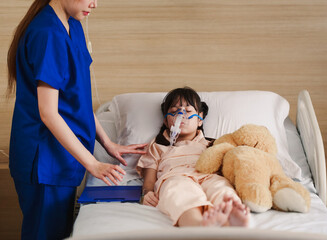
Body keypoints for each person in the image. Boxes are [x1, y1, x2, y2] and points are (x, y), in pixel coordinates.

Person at [7, 0, 146, 239]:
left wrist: (107, 144)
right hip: (44, 161)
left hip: (63, 159)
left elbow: (76, 99)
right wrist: (93, 163)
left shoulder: (73, 25)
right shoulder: (48, 33)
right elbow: (48, 113)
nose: (95, 4)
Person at [137, 87, 251, 227]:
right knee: (180, 192)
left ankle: (231, 217)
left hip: (209, 176)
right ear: (166, 122)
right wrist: (147, 194)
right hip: (175, 177)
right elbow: (149, 181)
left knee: (222, 188)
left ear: (200, 119)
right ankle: (197, 224)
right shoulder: (158, 146)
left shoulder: (213, 144)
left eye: (188, 110)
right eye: (174, 111)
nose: (181, 114)